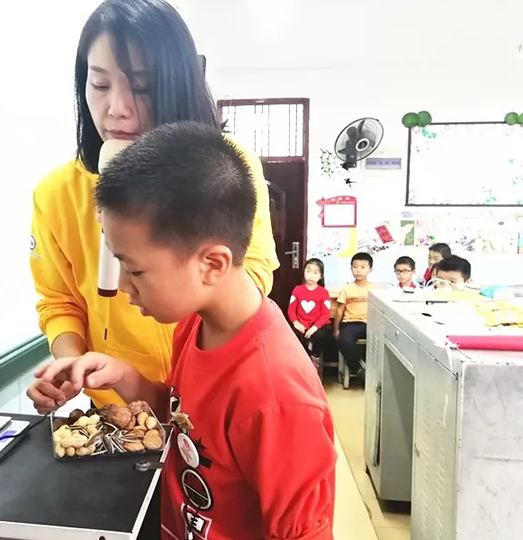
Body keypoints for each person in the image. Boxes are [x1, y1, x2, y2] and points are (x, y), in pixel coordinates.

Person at [38, 123, 336, 540]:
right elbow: (186, 421)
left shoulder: (276, 397)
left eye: (135, 270)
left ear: (211, 264)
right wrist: (124, 377)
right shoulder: (195, 325)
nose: (122, 285)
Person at [27, 0, 278, 412]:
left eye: (141, 88)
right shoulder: (56, 193)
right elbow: (59, 300)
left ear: (178, 85)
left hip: (214, 399)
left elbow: (251, 273)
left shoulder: (229, 168)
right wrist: (71, 364)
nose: (116, 109)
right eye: (100, 85)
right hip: (118, 406)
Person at [334, 252, 374, 376]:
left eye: (363, 267)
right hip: (350, 323)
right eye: (355, 267)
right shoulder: (347, 289)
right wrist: (336, 329)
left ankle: (376, 373)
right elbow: (339, 310)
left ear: (370, 269)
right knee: (344, 341)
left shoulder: (375, 289)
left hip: (370, 323)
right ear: (351, 268)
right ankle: (358, 369)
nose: (358, 270)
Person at [288, 258, 333, 368]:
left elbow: (325, 314)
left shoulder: (323, 292)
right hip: (301, 324)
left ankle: (315, 357)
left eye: (315, 273)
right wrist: (296, 323)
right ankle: (304, 358)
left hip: (318, 326)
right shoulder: (297, 289)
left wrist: (314, 327)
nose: (311, 275)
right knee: (291, 335)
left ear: (321, 276)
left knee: (322, 336)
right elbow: (291, 310)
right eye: (308, 271)